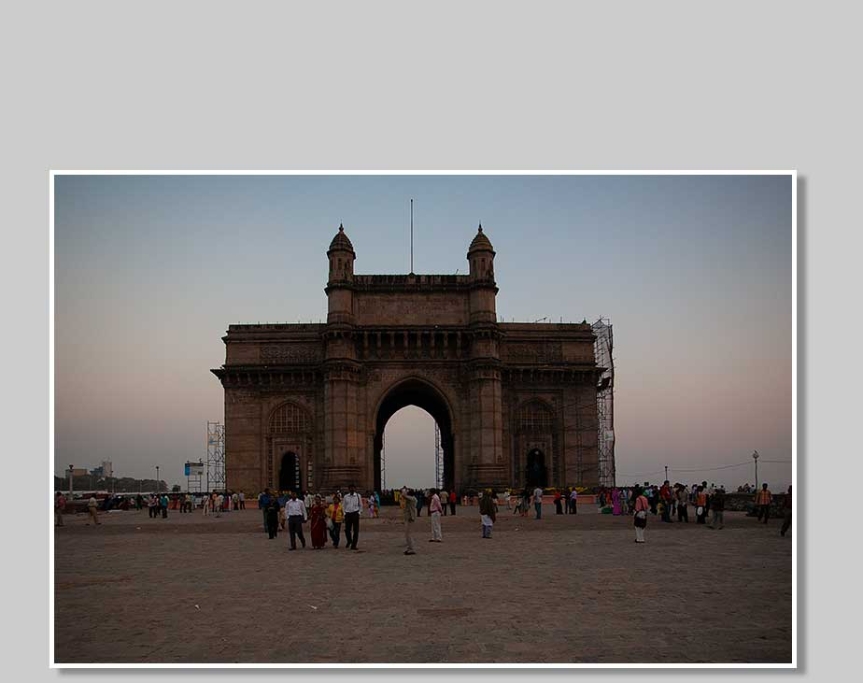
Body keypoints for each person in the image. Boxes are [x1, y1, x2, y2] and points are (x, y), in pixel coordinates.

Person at [342, 483, 362, 550]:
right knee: (347, 530)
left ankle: (354, 545)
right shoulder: (346, 497)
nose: (352, 489)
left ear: (355, 489)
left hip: (355, 513)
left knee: (356, 530)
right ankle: (349, 540)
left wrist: (359, 512)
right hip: (348, 514)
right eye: (350, 488)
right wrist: (344, 513)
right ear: (349, 489)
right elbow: (343, 506)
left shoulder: (358, 496)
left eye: (353, 488)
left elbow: (360, 505)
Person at [401, 487, 418, 555]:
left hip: (410, 518)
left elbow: (403, 495)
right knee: (407, 534)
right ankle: (409, 548)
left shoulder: (412, 499)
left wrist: (404, 490)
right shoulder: (413, 498)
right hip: (409, 518)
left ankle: (411, 549)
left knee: (408, 534)